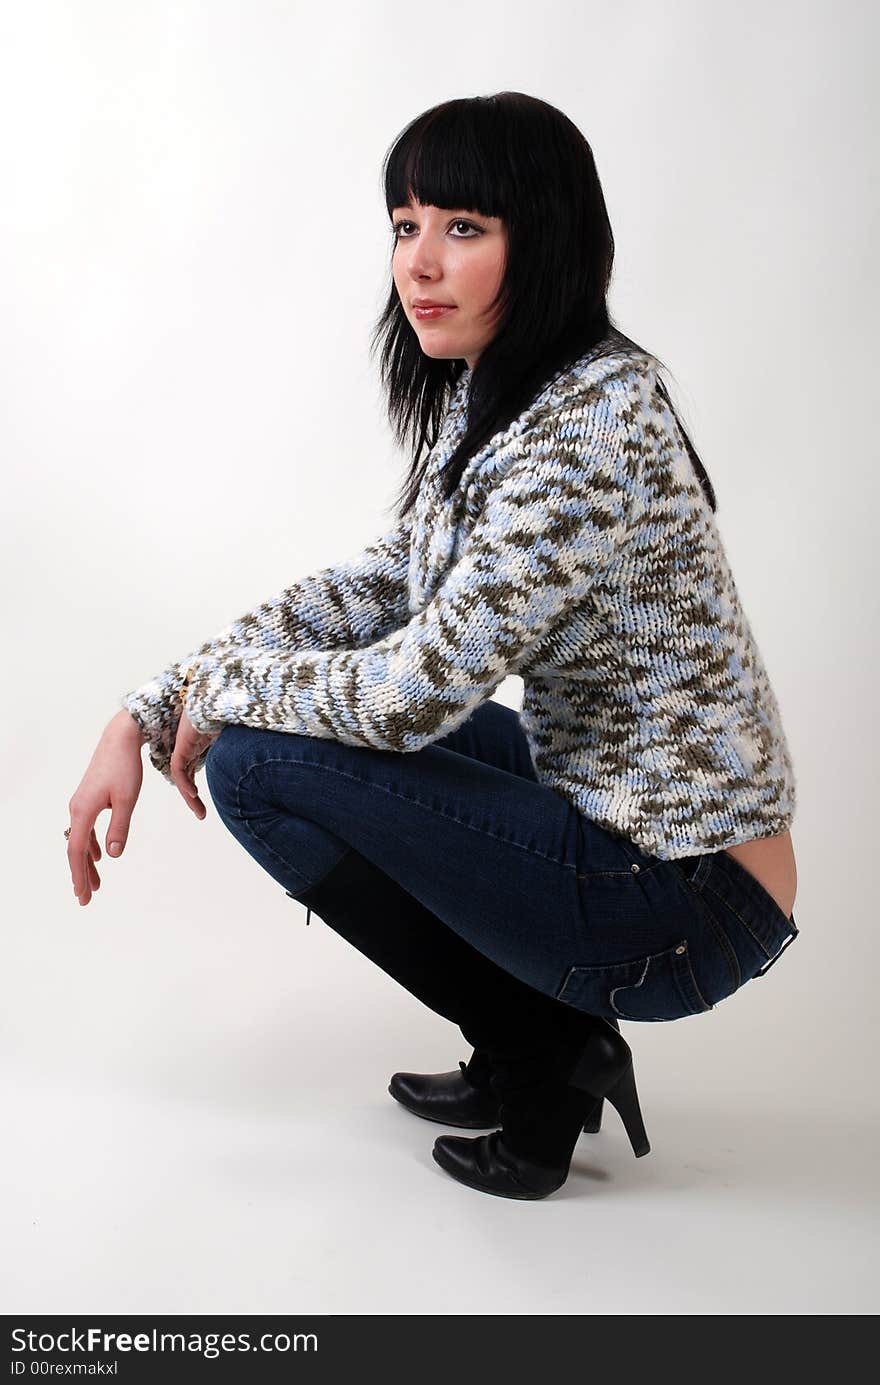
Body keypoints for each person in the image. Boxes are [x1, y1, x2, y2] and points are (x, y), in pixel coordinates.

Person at [66, 92, 799, 1202]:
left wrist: (209, 693)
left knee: (258, 760)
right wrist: (149, 702)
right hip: (615, 815)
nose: (419, 262)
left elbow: (415, 693)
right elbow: (386, 584)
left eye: (463, 227)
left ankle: (543, 1050)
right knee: (260, 732)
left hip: (688, 901)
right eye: (405, 223)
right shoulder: (511, 393)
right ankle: (534, 1043)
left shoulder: (591, 429)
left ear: (544, 239)